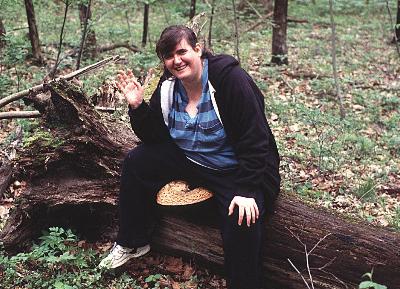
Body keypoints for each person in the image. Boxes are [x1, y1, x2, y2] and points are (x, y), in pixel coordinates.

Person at [99, 25, 280, 289]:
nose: (177, 60)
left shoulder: (230, 80)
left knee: (242, 219)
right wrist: (137, 106)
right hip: (191, 158)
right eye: (169, 56)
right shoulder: (170, 86)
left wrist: (247, 189)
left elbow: (256, 138)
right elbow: (156, 136)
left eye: (182, 51)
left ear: (198, 49)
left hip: (233, 168)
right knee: (137, 161)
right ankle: (132, 241)